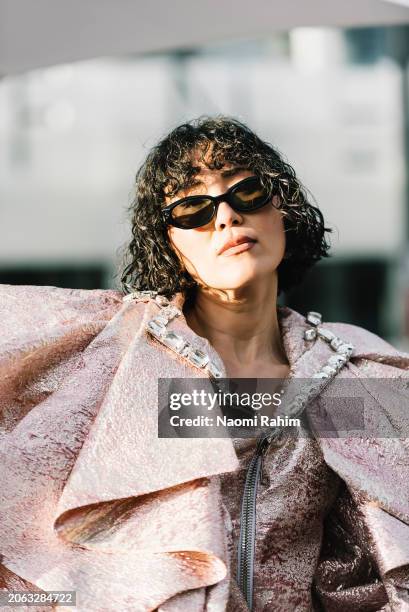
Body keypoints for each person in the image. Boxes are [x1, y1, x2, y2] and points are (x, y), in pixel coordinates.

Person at [0, 116, 408, 612]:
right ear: (167, 240)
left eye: (247, 191)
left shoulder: (351, 377)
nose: (226, 217)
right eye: (193, 207)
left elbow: (375, 552)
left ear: (282, 209)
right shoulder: (120, 354)